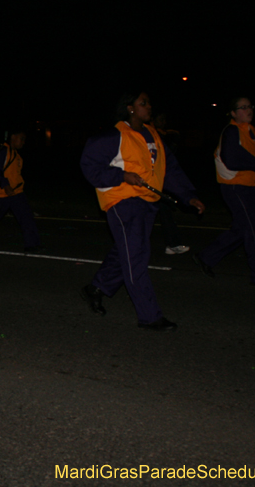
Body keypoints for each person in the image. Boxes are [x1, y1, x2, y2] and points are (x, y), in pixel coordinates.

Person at [80, 91, 205, 331]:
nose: (149, 107)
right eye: (143, 103)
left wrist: (189, 196)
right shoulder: (114, 136)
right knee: (136, 256)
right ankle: (150, 316)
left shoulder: (154, 136)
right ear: (130, 108)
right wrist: (122, 175)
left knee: (126, 251)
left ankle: (95, 288)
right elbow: (89, 166)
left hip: (148, 202)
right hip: (122, 200)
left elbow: (169, 170)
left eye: (149, 103)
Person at [192, 97, 255, 287]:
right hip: (236, 187)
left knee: (242, 228)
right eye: (242, 108)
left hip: (251, 187)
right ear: (233, 113)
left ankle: (206, 257)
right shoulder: (232, 132)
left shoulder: (254, 131)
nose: (248, 110)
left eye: (250, 106)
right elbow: (232, 159)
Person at [153, 114, 190, 254]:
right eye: (160, 119)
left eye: (164, 119)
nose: (163, 122)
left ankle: (173, 243)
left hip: (160, 181)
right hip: (148, 183)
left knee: (165, 211)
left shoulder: (161, 135)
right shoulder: (150, 134)